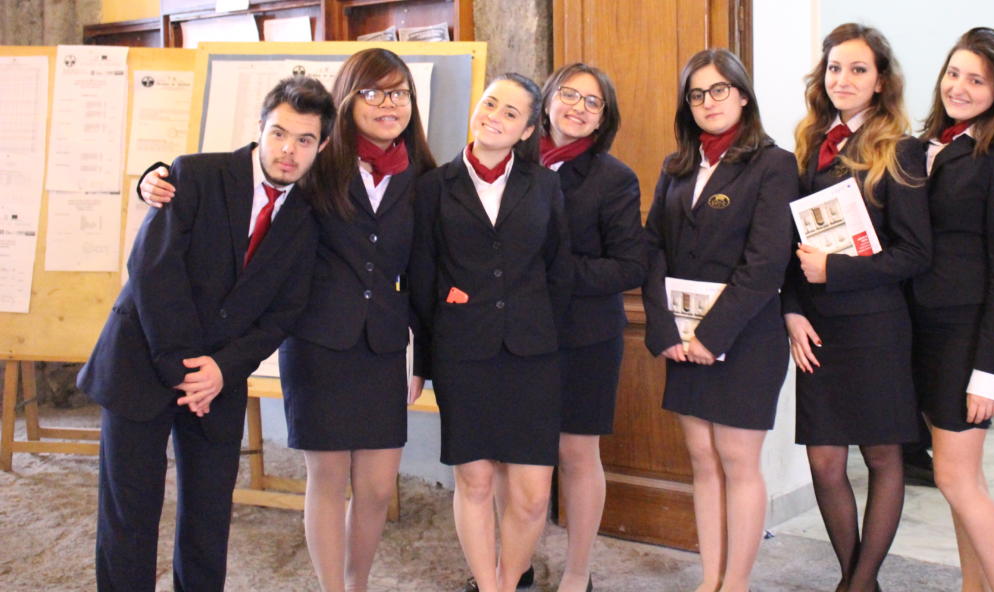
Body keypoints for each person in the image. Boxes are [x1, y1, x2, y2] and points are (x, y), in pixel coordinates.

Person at [138, 48, 436, 592]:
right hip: (318, 342)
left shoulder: (422, 175)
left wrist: (424, 358)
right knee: (328, 480)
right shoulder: (315, 163)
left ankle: (359, 584)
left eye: (399, 93)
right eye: (373, 92)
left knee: (376, 488)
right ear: (348, 102)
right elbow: (241, 179)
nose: (387, 104)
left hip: (384, 346)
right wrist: (153, 179)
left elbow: (423, 270)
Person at [77, 76, 335, 592]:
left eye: (305, 140)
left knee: (209, 517)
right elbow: (152, 270)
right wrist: (181, 367)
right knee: (130, 514)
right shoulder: (193, 175)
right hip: (142, 362)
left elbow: (283, 313)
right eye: (279, 133)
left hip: (219, 379)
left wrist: (219, 370)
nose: (288, 150)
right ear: (260, 128)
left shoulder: (310, 217)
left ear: (322, 146)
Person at [409, 73, 573, 592]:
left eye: (510, 113)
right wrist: (422, 363)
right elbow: (421, 279)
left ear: (526, 131)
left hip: (533, 353)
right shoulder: (433, 187)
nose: (494, 117)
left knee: (532, 493)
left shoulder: (544, 185)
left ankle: (509, 577)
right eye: (489, 104)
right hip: (463, 352)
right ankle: (489, 585)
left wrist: (549, 336)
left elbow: (559, 271)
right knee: (475, 481)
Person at [642, 49, 797, 592]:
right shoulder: (676, 166)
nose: (708, 102)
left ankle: (736, 583)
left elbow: (765, 264)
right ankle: (710, 579)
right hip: (682, 338)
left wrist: (712, 336)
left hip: (745, 336)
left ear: (743, 95)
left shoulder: (774, 165)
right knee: (702, 459)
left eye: (719, 90)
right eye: (697, 94)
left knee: (737, 461)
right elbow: (653, 249)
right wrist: (664, 329)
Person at [784, 23, 931, 592]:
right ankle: (859, 582)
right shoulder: (808, 145)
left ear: (880, 82)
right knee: (824, 460)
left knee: (882, 456)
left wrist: (837, 270)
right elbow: (787, 244)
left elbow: (915, 254)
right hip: (819, 326)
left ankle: (857, 583)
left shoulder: (901, 149)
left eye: (858, 69)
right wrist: (791, 309)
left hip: (876, 327)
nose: (843, 79)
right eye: (835, 68)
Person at [909, 26, 994, 592]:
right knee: (961, 480)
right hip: (922, 330)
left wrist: (990, 371)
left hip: (963, 336)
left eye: (976, 80)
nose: (958, 87)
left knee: (957, 481)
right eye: (953, 73)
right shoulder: (928, 145)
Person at [538, 63, 646, 592]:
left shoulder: (614, 178)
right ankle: (514, 563)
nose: (578, 108)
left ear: (603, 118)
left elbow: (629, 266)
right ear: (548, 100)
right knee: (516, 456)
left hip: (585, 336)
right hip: (515, 333)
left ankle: (577, 572)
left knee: (577, 454)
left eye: (592, 102)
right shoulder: (511, 162)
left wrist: (554, 273)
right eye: (569, 94)